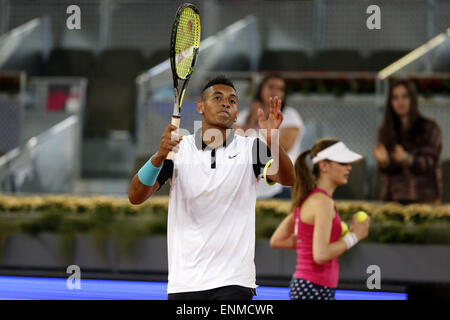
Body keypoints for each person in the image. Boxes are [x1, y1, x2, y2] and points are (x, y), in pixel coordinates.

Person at [128, 75, 295, 300]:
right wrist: (158, 157)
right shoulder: (178, 148)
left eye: (232, 101)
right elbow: (136, 196)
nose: (226, 103)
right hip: (185, 282)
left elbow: (288, 178)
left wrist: (273, 140)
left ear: (237, 113)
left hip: (234, 281)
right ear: (200, 107)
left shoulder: (252, 147)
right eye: (217, 98)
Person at [270, 138, 370, 300]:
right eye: (343, 163)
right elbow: (321, 255)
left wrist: (312, 242)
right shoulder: (323, 203)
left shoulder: (309, 199)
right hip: (313, 287)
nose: (349, 167)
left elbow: (277, 240)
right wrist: (355, 236)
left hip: (309, 286)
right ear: (324, 166)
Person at [235, 73, 305, 199]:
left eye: (280, 88)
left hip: (282, 183)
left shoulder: (290, 115)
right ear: (261, 89)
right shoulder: (245, 115)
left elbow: (285, 147)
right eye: (271, 86)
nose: (275, 91)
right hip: (249, 184)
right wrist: (252, 119)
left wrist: (269, 134)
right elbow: (236, 147)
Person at [373, 79, 442, 204]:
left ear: (412, 99)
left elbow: (430, 162)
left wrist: (408, 159)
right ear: (390, 102)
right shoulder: (385, 130)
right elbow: (385, 171)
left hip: (424, 199)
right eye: (395, 97)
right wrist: (383, 162)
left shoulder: (429, 127)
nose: (400, 102)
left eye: (405, 96)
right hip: (394, 200)